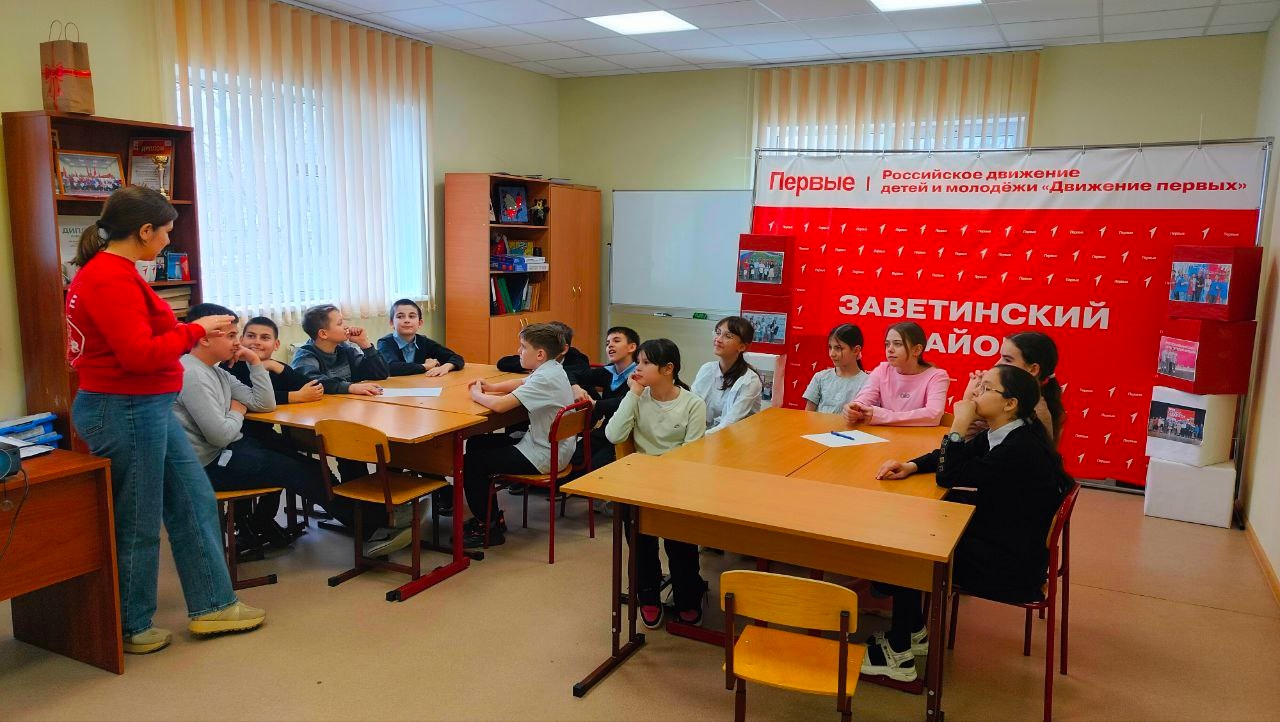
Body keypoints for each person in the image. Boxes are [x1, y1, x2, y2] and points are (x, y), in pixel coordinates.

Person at [65, 186, 264, 655]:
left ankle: (213, 605)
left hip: (145, 407)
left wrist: (190, 329)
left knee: (194, 500)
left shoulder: (117, 273)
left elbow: (143, 335)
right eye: (166, 232)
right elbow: (138, 355)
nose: (169, 241)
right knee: (138, 520)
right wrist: (194, 331)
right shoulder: (109, 278)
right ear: (144, 231)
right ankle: (131, 625)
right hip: (126, 409)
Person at [864, 365, 1071, 682]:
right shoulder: (1010, 430)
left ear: (1009, 403)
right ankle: (913, 630)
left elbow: (949, 475)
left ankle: (899, 657)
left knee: (912, 547)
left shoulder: (1018, 449)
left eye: (986, 388)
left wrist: (959, 424)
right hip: (1006, 537)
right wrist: (911, 465)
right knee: (917, 522)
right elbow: (956, 457)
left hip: (1011, 568)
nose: (976, 393)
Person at [180, 305, 409, 558]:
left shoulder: (215, 370)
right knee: (301, 473)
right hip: (210, 465)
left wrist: (255, 363)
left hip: (232, 449)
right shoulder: (192, 374)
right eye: (233, 336)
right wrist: (237, 410)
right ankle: (374, 527)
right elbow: (221, 436)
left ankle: (373, 519)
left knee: (312, 467)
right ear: (204, 337)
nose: (238, 343)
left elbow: (264, 403)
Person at [604, 339, 708, 627]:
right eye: (638, 362)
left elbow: (691, 453)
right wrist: (634, 393)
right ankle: (648, 596)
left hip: (678, 483)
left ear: (667, 369)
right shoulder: (638, 398)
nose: (637, 368)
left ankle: (688, 597)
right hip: (641, 483)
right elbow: (613, 435)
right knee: (641, 545)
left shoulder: (693, 404)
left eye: (645, 363)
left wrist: (662, 476)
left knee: (681, 546)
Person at [461, 323, 575, 547]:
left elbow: (500, 406)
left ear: (540, 354)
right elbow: (522, 382)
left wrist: (476, 394)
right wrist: (491, 387)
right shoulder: (552, 368)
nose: (518, 351)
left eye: (523, 347)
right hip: (551, 446)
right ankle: (492, 517)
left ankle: (488, 528)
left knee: (471, 463)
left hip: (544, 454)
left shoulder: (545, 378)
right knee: (477, 443)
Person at [959, 332, 1065, 444]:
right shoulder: (1012, 400)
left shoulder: (1035, 413)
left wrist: (968, 402)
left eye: (1007, 360)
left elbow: (961, 448)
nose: (997, 364)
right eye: (1000, 357)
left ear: (1033, 369)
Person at [842, 322, 949, 427]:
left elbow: (933, 415)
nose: (890, 349)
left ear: (917, 350)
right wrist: (855, 408)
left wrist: (882, 416)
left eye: (898, 344)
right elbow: (865, 398)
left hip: (920, 436)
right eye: (887, 344)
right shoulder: (882, 370)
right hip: (884, 435)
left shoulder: (937, 376)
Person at [291, 303, 389, 396]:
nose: (346, 326)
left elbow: (380, 374)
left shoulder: (344, 349)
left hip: (347, 403)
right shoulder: (305, 356)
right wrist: (350, 387)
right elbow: (313, 382)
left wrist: (365, 344)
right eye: (340, 323)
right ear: (323, 334)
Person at [578, 326, 640, 469]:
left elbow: (624, 401)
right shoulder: (608, 371)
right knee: (575, 456)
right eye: (607, 343)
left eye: (616, 341)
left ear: (632, 347)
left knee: (596, 467)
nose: (610, 345)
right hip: (606, 429)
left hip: (628, 434)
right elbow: (575, 374)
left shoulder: (639, 373)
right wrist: (575, 387)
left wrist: (596, 404)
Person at [691, 315, 763, 434]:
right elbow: (691, 405)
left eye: (728, 336)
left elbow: (729, 424)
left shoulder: (750, 381)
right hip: (705, 435)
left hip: (737, 439)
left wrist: (696, 438)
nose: (718, 339)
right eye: (718, 333)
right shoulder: (707, 369)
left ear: (742, 347)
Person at [376, 298, 464, 377]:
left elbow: (457, 358)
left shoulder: (424, 342)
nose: (407, 320)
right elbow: (392, 367)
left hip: (419, 385)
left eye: (411, 316)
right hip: (395, 387)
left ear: (420, 323)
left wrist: (446, 367)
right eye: (400, 317)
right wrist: (426, 366)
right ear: (392, 323)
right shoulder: (385, 343)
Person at [496, 319, 591, 387]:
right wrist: (534, 365)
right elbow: (503, 363)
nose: (519, 351)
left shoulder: (578, 359)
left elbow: (571, 374)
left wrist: (536, 366)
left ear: (564, 349)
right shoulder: (542, 359)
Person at [803, 323, 868, 414]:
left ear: (856, 350)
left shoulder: (868, 383)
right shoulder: (820, 378)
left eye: (838, 348)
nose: (832, 354)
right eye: (830, 347)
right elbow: (807, 415)